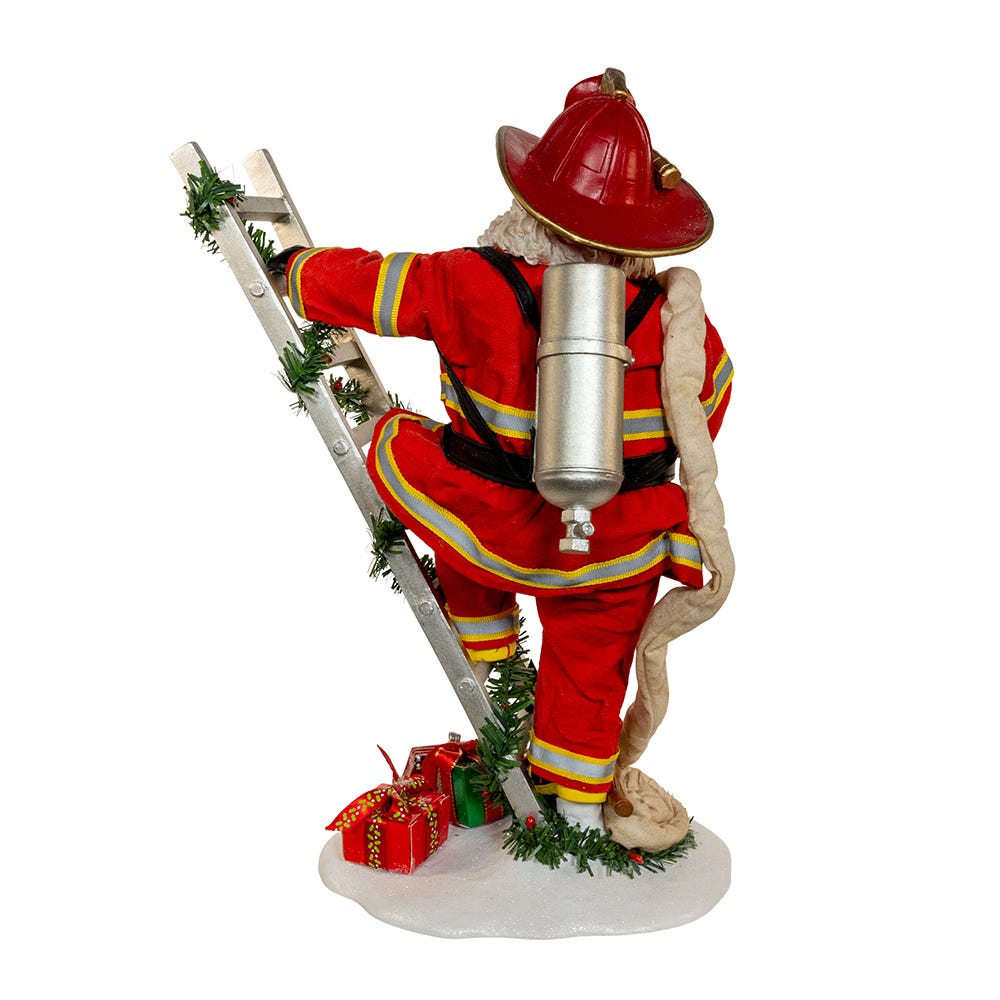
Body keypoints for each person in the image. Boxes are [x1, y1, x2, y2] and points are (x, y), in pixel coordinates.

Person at [271, 69, 732, 832]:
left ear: (529, 204)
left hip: (489, 525)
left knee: (414, 458)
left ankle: (490, 657)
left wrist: (296, 272)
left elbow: (372, 286)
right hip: (615, 547)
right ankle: (577, 815)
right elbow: (707, 407)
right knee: (591, 670)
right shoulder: (680, 325)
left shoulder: (463, 279)